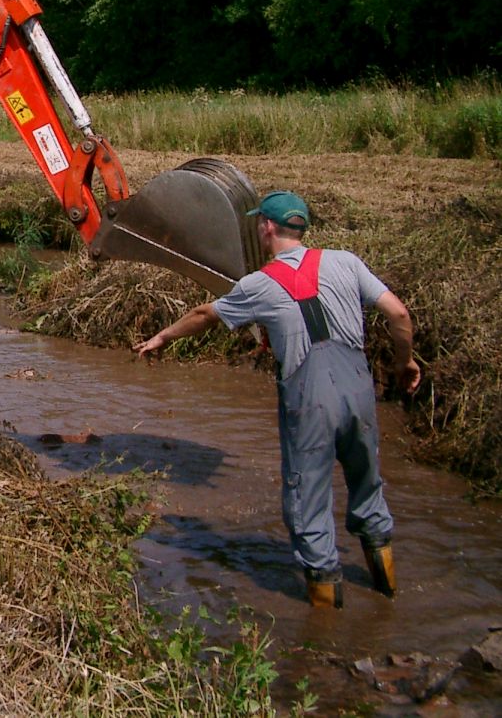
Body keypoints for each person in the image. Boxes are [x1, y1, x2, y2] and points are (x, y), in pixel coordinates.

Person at [134, 190, 421, 608]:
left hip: (309, 400)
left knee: (308, 500)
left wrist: (162, 336)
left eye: (258, 223)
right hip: (359, 392)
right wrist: (405, 363)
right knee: (367, 484)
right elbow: (398, 314)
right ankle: (387, 592)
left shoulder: (259, 285)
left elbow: (205, 315)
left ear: (266, 227)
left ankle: (324, 631)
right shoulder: (346, 261)